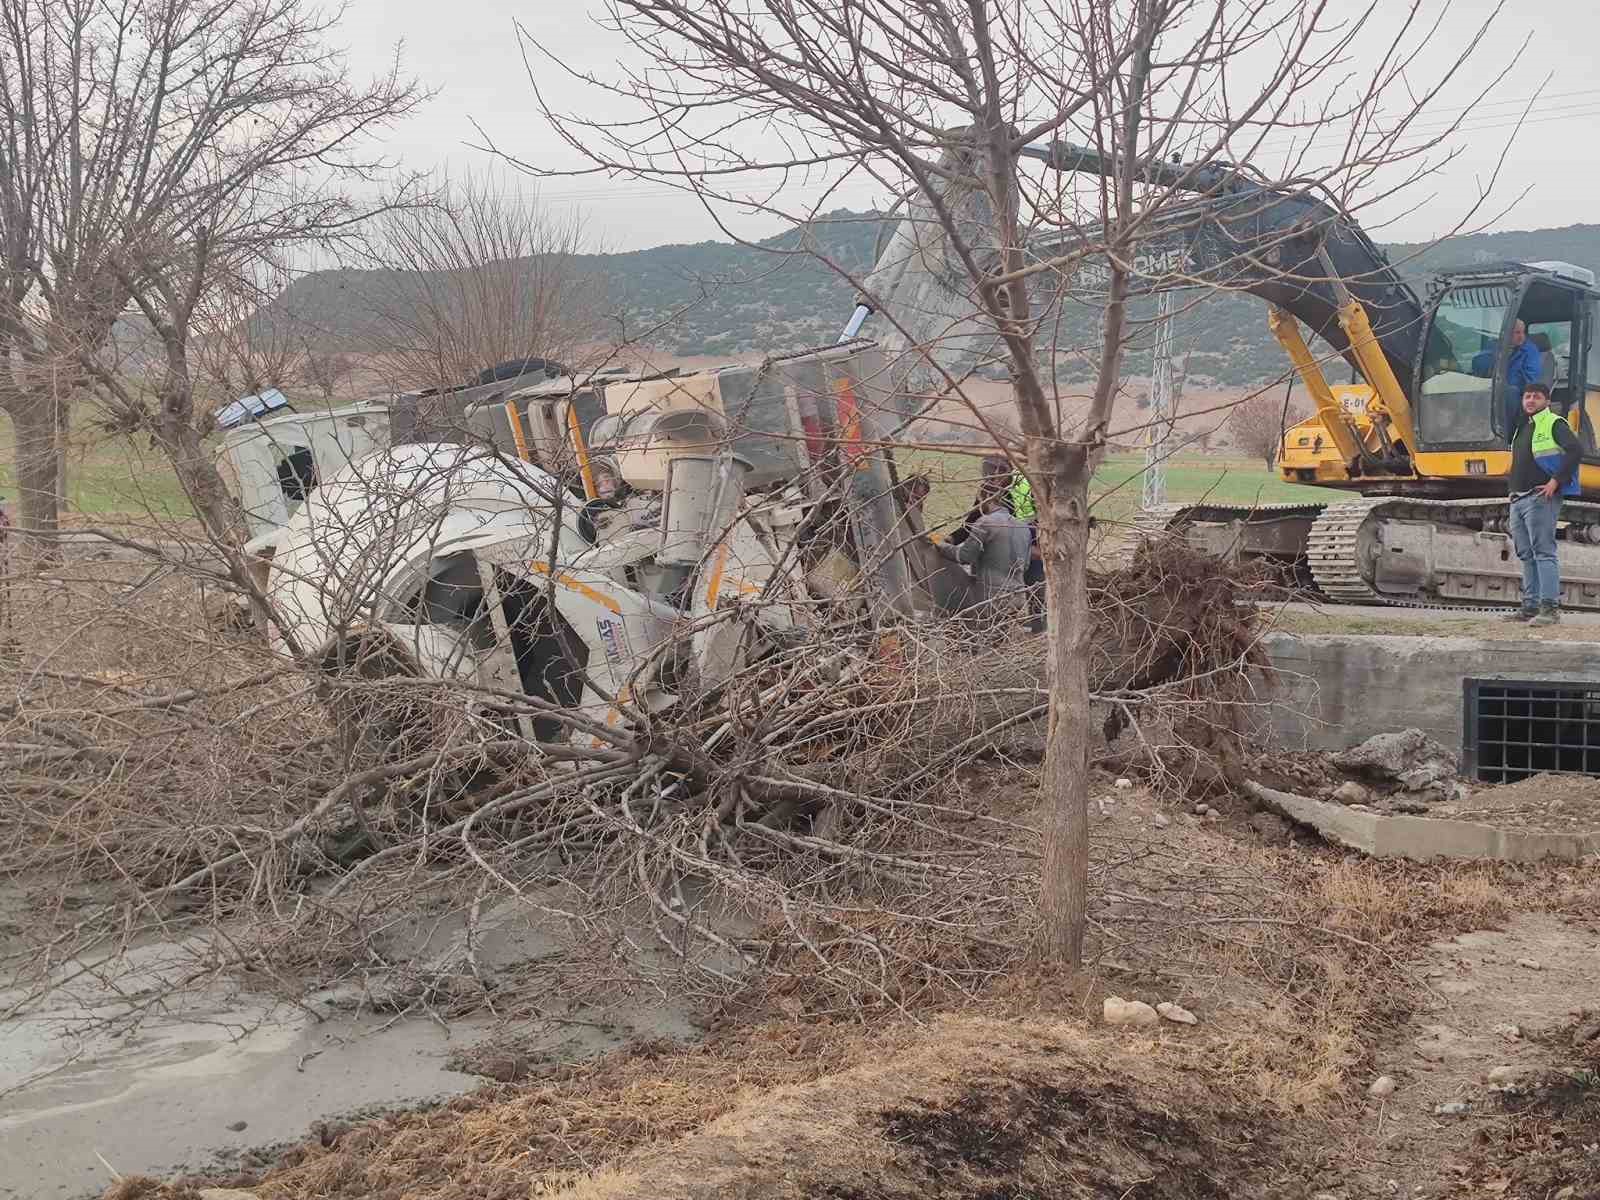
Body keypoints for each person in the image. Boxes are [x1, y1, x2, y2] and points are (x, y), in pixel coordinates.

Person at [1504, 382, 1579, 627]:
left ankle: (1550, 609)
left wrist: (1555, 482)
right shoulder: (1522, 427)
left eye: (1536, 397)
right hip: (1518, 497)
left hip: (1540, 497)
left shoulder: (1554, 423)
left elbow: (1575, 450)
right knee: (1526, 554)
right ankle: (1530, 606)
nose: (1530, 400)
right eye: (1527, 396)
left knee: (1544, 552)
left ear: (1546, 401)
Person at [937, 488, 1031, 616]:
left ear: (988, 499)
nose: (978, 506)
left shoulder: (985, 522)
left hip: (993, 597)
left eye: (979, 501)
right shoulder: (1024, 528)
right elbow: (1025, 565)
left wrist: (941, 546)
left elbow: (964, 556)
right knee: (1010, 635)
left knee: (990, 635)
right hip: (1019, 595)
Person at [1504, 320, 1542, 440]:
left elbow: (1532, 379)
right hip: (1499, 388)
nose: (1521, 336)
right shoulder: (1500, 348)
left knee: (1510, 392)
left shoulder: (1530, 351)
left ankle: (1507, 436)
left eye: (1523, 332)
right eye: (1517, 332)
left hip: (1521, 392)